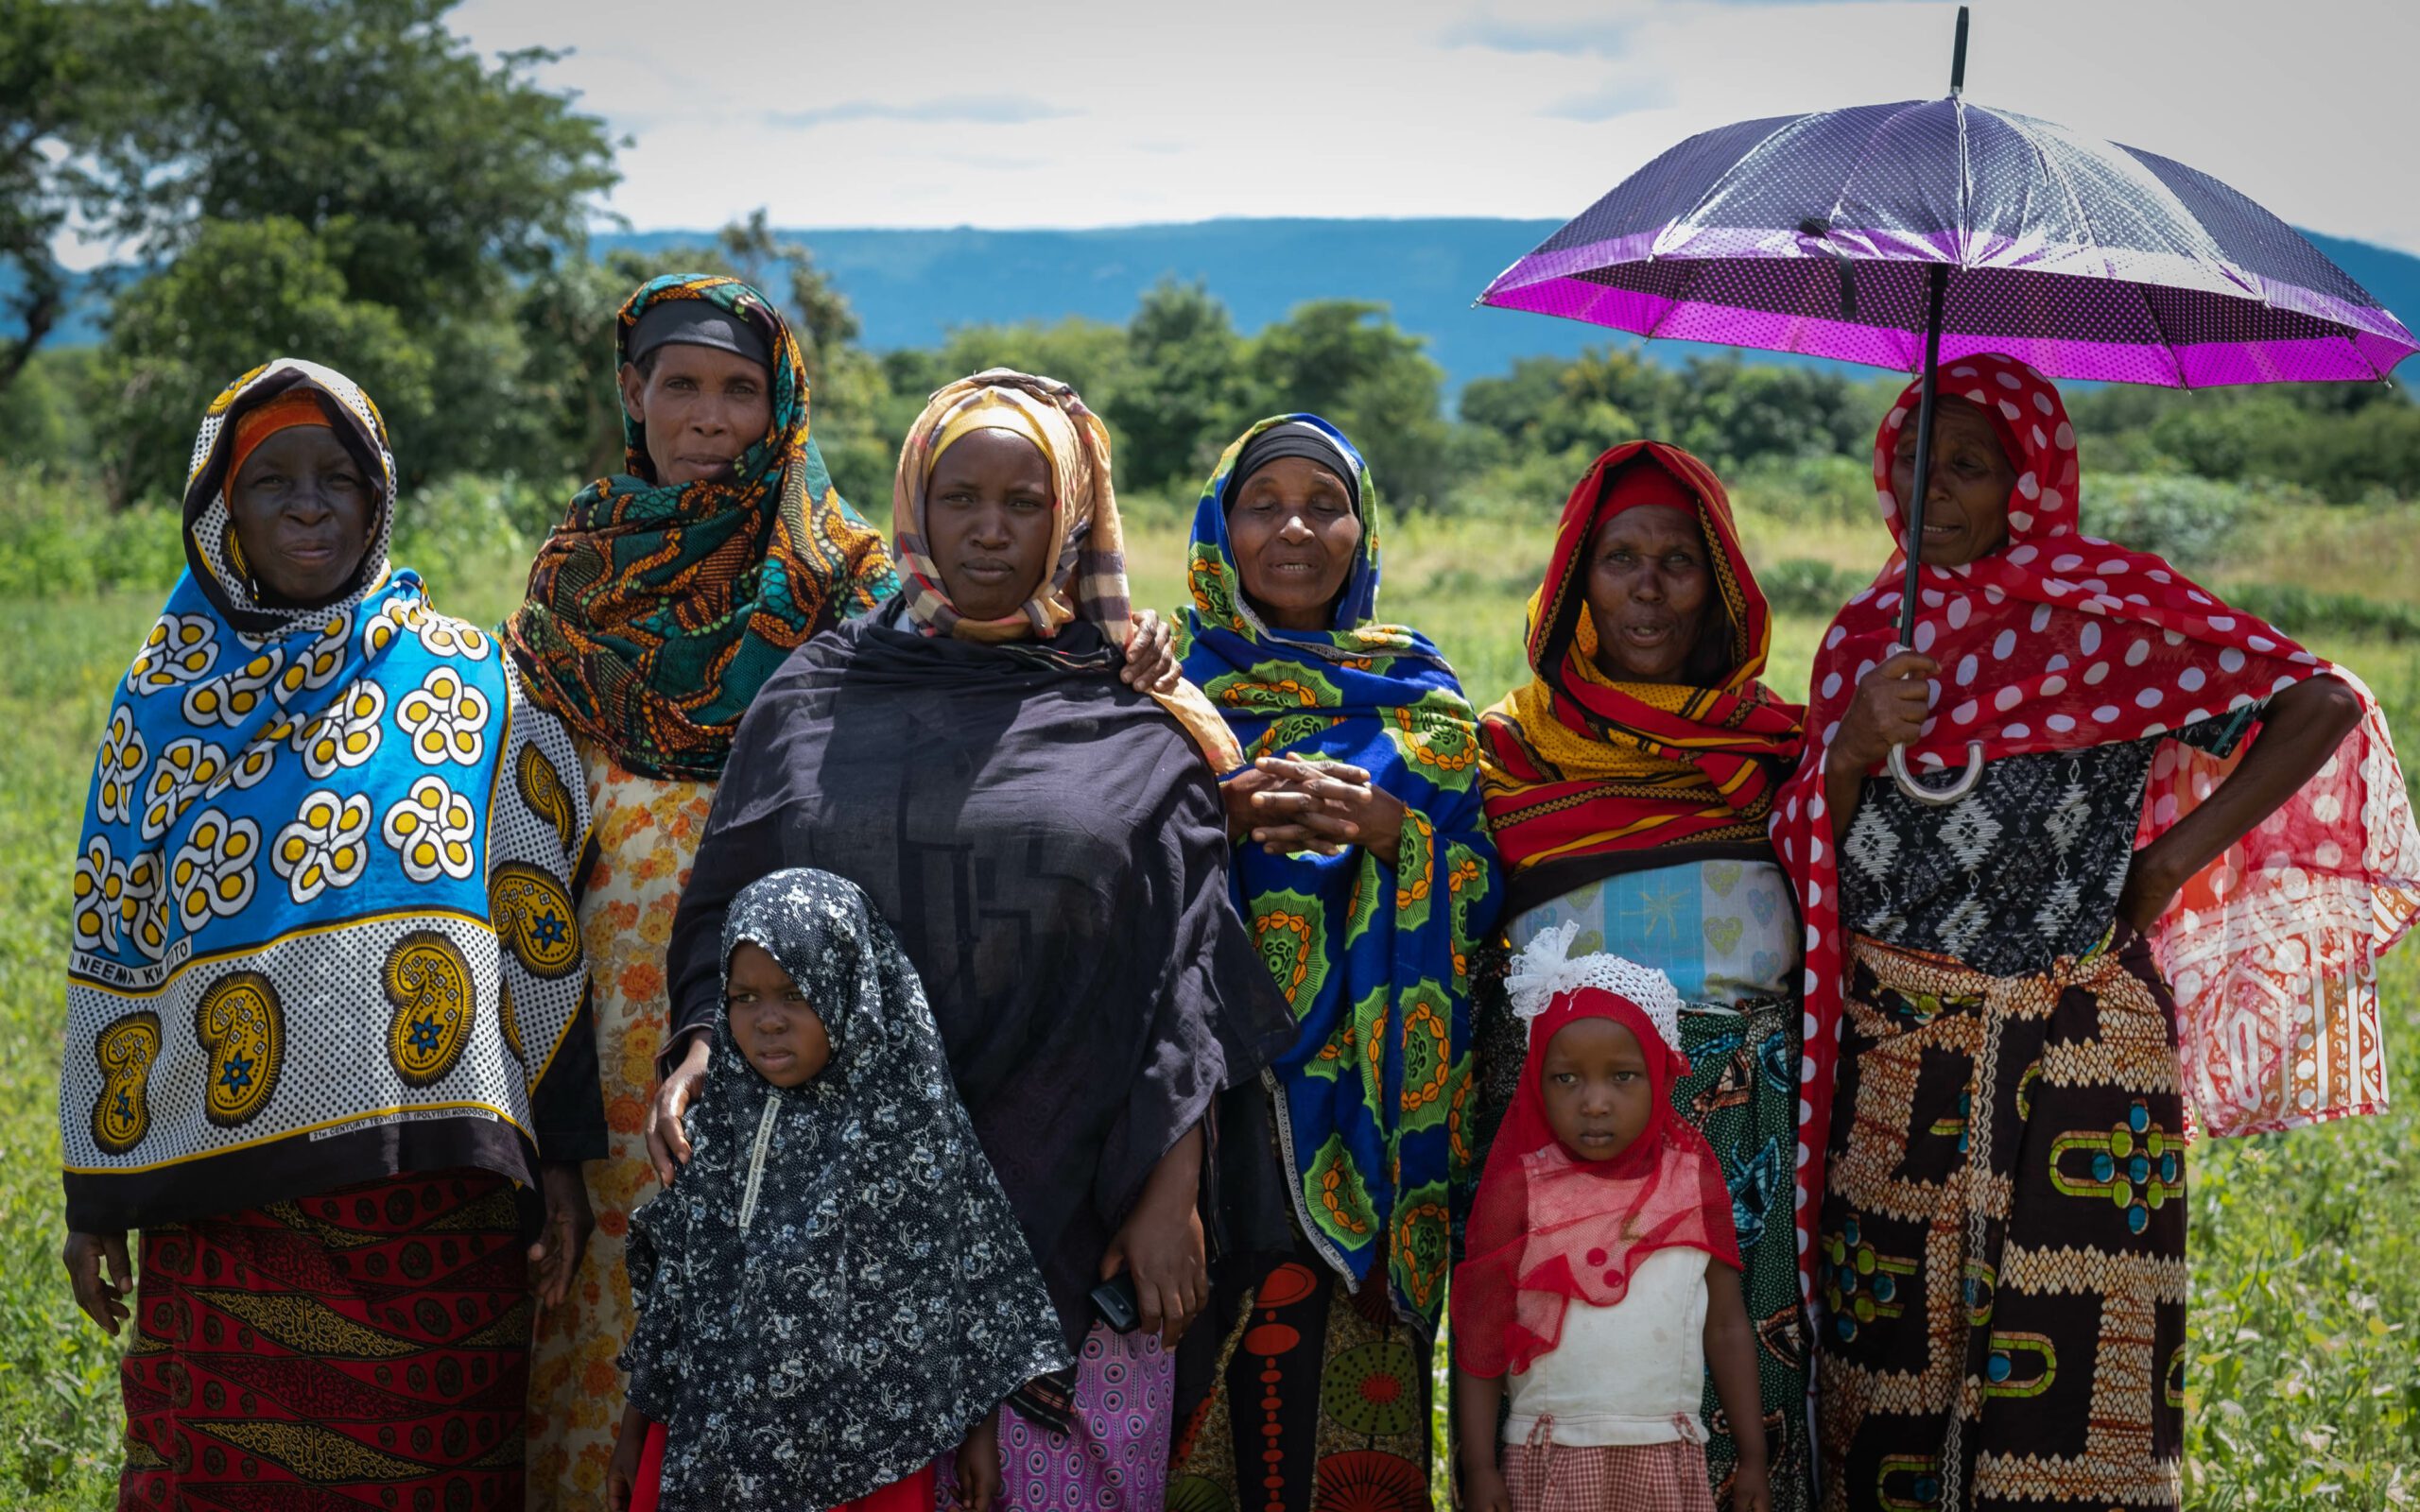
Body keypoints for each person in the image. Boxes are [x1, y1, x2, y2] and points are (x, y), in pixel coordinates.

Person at [501, 277, 1177, 1506]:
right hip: (684, 1058)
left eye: (740, 389)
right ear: (631, 394)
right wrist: (687, 1038)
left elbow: (1157, 924)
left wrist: (1120, 653)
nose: (710, 417)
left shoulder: (849, 584)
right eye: (680, 385)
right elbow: (556, 850)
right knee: (644, 1359)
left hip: (893, 1075)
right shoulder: (582, 594)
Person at [1772, 352, 2420, 1512]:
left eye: (1968, 465)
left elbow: (2318, 702)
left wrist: (2169, 860)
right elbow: (1812, 850)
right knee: (1884, 1367)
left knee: (2076, 1370)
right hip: (1898, 1055)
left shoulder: (2108, 616)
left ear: (2028, 483)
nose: (1931, 489)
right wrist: (1856, 744)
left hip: (2083, 1053)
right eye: (1913, 460)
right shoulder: (1864, 638)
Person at [654, 368, 1292, 1509]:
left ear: (1071, 517)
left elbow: (1182, 964)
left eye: (1023, 502)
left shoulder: (1133, 710)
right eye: (959, 498)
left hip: (1072, 1195)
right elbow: (730, 903)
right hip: (832, 1220)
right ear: (915, 505)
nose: (989, 530)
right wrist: (703, 1039)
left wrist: (1171, 1186)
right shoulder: (814, 695)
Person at [59, 359, 603, 1508]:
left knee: (433, 1475)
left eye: (337, 479)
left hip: (432, 1205)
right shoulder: (162, 702)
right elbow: (116, 945)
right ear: (224, 513)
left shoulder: (468, 683)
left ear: (377, 498)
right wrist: (94, 1195)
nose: (309, 506)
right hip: (224, 1202)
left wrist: (560, 1156)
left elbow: (538, 925)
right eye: (273, 483)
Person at [1163, 414, 1500, 1509]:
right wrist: (1210, 818)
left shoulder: (1423, 700)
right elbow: (1097, 867)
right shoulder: (1165, 694)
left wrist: (1396, 835)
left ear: (1365, 530)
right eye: (1263, 505)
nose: (1296, 529)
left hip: (1369, 1115)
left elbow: (1485, 900)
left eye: (1325, 504)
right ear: (1218, 530)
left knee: (1343, 1432)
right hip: (1200, 1113)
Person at [1475, 442, 1812, 1506]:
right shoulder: (1512, 751)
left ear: (1722, 586)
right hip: (1569, 1125)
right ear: (1577, 581)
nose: (1649, 587)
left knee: (1742, 1379)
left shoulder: (1779, 750)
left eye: (1678, 561)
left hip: (1750, 1125)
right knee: (1581, 1388)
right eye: (1621, 558)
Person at [607, 868, 1068, 1512]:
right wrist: (634, 1433)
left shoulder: (906, 1132)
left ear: (851, 988)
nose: (767, 1021)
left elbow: (966, 1291)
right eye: (744, 997)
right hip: (714, 1439)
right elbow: (677, 1290)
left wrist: (978, 1434)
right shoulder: (723, 1124)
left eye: (794, 994)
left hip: (866, 1459)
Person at [1453, 930, 1769, 1512]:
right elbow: (1481, 1334)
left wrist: (1753, 1457)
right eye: (1566, 1078)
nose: (1594, 1102)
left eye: (1622, 1076)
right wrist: (1479, 1468)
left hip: (1668, 1460)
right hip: (1548, 1457)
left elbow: (1726, 1325)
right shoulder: (1520, 1191)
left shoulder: (1692, 1180)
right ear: (1536, 1083)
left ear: (1660, 1075)